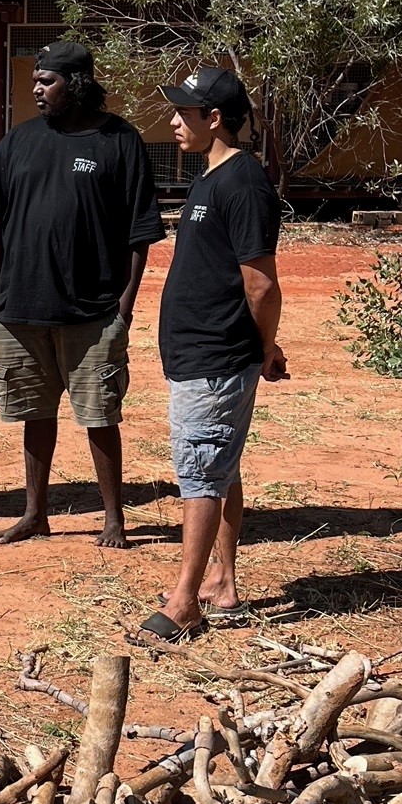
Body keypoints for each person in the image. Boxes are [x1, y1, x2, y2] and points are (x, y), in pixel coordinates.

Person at [0, 41, 164, 547]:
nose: (37, 89)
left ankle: (113, 517)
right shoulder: (17, 142)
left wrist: (122, 308)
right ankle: (35, 513)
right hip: (18, 310)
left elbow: (139, 232)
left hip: (92, 313)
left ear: (77, 83)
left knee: (98, 415)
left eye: (47, 81)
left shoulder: (119, 141)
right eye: (36, 80)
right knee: (35, 414)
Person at [137, 66, 286, 645]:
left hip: (216, 355)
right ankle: (221, 583)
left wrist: (263, 346)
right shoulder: (211, 178)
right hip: (201, 351)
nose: (174, 122)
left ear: (215, 118)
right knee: (220, 465)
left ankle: (183, 604)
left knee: (200, 471)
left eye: (184, 113)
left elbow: (261, 285)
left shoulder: (244, 183)